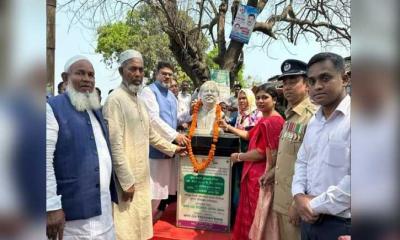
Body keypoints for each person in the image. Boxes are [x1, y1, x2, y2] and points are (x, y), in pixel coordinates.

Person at [102, 50, 185, 240]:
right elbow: (114, 144)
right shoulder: (115, 100)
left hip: (142, 173)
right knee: (124, 226)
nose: (138, 74)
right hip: (126, 177)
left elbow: (151, 135)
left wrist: (173, 148)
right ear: (121, 70)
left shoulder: (139, 100)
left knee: (141, 221)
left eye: (140, 69)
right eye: (133, 69)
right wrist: (125, 180)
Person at [46, 55, 118, 240]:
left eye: (91, 74)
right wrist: (51, 205)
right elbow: (42, 160)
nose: (87, 79)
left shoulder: (95, 109)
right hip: (72, 214)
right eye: (80, 73)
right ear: (65, 77)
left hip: (102, 208)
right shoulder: (51, 108)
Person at [292, 52, 351, 240]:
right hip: (309, 221)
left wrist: (312, 204)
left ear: (344, 78)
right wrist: (298, 194)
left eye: (325, 78)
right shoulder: (314, 121)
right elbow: (302, 161)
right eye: (311, 81)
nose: (317, 86)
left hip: (342, 225)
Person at [219, 84, 285, 240]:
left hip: (261, 177)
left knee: (259, 219)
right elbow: (249, 135)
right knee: (251, 217)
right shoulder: (265, 119)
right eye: (258, 98)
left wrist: (239, 156)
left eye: (265, 97)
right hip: (252, 174)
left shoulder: (273, 122)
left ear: (274, 100)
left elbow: (261, 154)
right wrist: (228, 126)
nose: (260, 101)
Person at [268, 59, 317, 240]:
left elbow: (313, 165)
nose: (287, 87)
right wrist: (273, 172)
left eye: (293, 82)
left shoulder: (312, 116)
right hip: (282, 198)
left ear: (307, 84)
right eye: (285, 83)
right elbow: (290, 155)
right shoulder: (290, 115)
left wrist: (298, 203)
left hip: (297, 203)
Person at [140, 61, 190, 223]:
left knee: (161, 192)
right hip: (154, 149)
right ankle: (142, 225)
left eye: (170, 74)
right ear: (156, 74)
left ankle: (148, 224)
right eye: (164, 73)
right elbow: (153, 120)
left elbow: (178, 119)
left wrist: (197, 110)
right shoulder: (148, 92)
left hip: (170, 150)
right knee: (151, 191)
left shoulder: (171, 96)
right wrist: (175, 136)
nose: (167, 77)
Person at [230, 88, 262, 226]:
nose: (242, 101)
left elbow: (248, 136)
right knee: (237, 188)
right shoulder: (239, 115)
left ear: (251, 99)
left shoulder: (256, 115)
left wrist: (228, 127)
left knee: (248, 191)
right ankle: (238, 220)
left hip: (250, 159)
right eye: (240, 98)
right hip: (239, 158)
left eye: (244, 98)